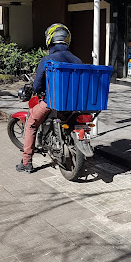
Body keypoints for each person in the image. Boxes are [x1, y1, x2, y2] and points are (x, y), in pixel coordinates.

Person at [16, 23, 82, 173]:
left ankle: (26, 162)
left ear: (50, 39)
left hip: (52, 102)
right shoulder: (77, 60)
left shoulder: (47, 60)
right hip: (75, 103)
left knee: (31, 123)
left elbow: (38, 87)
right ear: (67, 39)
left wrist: (37, 89)